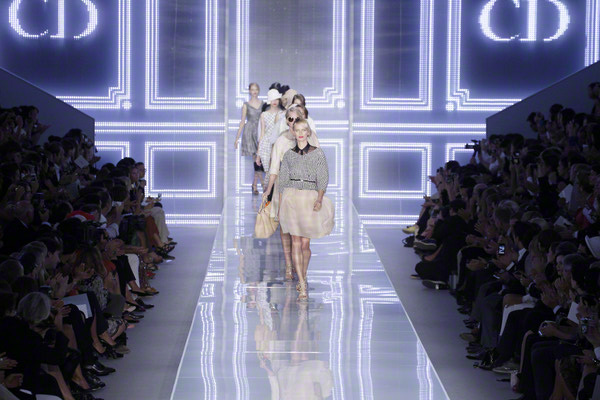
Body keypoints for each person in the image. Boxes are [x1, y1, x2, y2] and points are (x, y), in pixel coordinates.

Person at [277, 118, 334, 300]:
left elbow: (323, 178)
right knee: (295, 241)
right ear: (293, 132)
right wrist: (280, 207)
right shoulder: (288, 155)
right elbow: (282, 181)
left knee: (305, 244)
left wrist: (319, 199)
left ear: (308, 132)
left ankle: (303, 273)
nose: (301, 133)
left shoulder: (318, 153)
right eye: (298, 130)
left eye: (304, 130)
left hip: (309, 199)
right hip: (291, 198)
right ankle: (301, 282)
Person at [262, 105, 319, 283]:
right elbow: (274, 168)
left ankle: (300, 269)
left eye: (296, 118)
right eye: (290, 119)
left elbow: (318, 164)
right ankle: (289, 264)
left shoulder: (311, 137)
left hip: (305, 190)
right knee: (286, 228)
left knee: (303, 234)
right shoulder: (281, 140)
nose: (293, 122)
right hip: (284, 189)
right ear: (286, 121)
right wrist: (268, 190)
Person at [234, 83, 265, 194]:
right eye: (252, 89)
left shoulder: (263, 104)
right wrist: (237, 138)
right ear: (249, 91)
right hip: (250, 133)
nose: (254, 91)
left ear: (258, 90)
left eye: (256, 89)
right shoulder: (246, 105)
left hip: (260, 131)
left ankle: (254, 184)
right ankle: (262, 184)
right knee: (255, 159)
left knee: (259, 159)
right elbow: (242, 121)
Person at [256, 89, 285, 187]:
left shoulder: (283, 114)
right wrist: (258, 155)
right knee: (268, 172)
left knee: (277, 171)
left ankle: (272, 192)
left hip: (278, 143)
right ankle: (268, 192)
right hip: (266, 145)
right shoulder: (264, 115)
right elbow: (262, 134)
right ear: (269, 101)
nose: (275, 101)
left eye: (276, 99)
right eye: (272, 99)